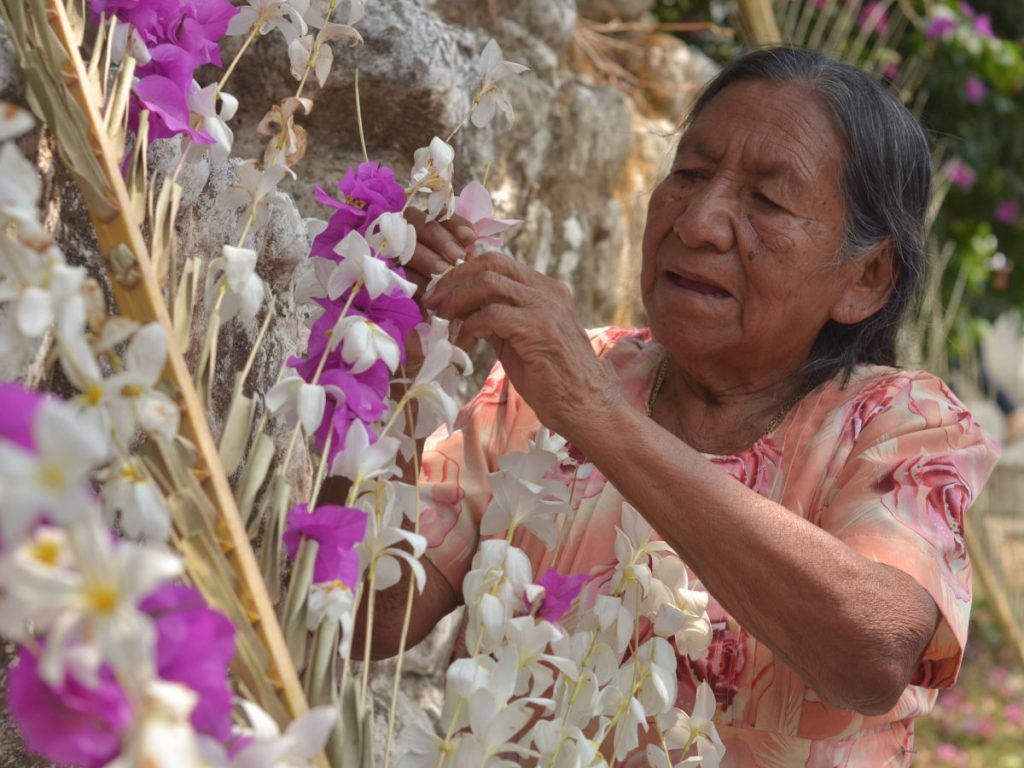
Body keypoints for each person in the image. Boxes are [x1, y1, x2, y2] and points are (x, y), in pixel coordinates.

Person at [365, 45, 1001, 766]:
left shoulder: (897, 424)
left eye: (767, 200)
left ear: (866, 277)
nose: (698, 222)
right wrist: (391, 385)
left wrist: (595, 413)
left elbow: (873, 651)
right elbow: (368, 619)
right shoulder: (553, 382)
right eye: (690, 175)